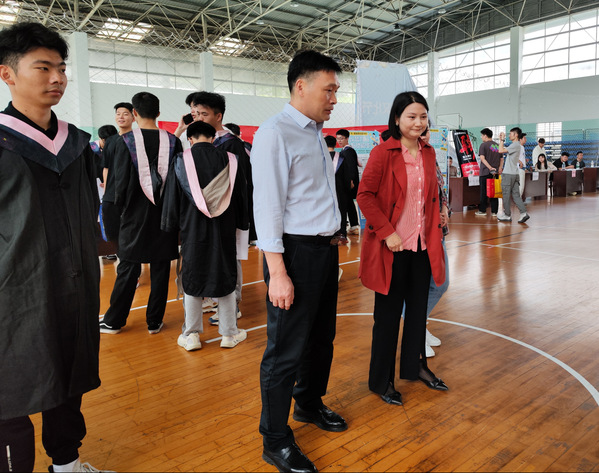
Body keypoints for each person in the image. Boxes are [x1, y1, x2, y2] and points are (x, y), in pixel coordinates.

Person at [0, 21, 106, 473]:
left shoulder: (77, 144)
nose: (57, 78)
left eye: (61, 68)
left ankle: (67, 462)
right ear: (7, 74)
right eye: (42, 68)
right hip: (15, 290)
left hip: (74, 283)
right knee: (13, 387)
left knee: (69, 377)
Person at [251, 50, 347, 473]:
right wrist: (278, 272)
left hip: (324, 251)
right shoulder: (276, 133)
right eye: (329, 90)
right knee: (285, 351)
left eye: (336, 91)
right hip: (294, 252)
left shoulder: (315, 133)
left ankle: (308, 402)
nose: (334, 99)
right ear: (301, 86)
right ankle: (275, 439)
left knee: (321, 340)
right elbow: (268, 207)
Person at [357, 91, 448, 410]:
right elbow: (364, 195)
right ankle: (381, 380)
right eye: (411, 116)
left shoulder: (428, 152)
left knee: (417, 313)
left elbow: (430, 195)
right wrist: (387, 232)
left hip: (422, 246)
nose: (418, 122)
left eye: (423, 116)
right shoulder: (383, 153)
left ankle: (415, 366)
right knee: (387, 318)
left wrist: (440, 216)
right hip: (392, 249)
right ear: (397, 119)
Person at [162, 120, 249, 350]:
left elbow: (172, 197)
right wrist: (243, 223)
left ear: (190, 139)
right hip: (224, 229)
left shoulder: (181, 160)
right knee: (226, 273)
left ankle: (191, 335)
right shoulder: (231, 160)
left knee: (192, 276)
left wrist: (170, 226)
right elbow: (241, 194)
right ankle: (229, 333)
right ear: (213, 138)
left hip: (192, 229)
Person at [99, 92, 182, 335]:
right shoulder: (173, 142)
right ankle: (154, 321)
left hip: (133, 216)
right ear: (158, 113)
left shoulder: (121, 142)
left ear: (134, 113)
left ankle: (114, 321)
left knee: (128, 267)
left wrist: (114, 220)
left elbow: (117, 187)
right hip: (165, 216)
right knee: (160, 268)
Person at [178, 91, 251, 326]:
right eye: (194, 114)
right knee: (204, 257)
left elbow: (241, 185)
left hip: (225, 213)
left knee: (229, 258)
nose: (198, 119)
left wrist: (242, 219)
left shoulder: (231, 144)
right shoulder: (197, 143)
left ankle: (232, 304)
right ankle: (210, 296)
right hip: (199, 215)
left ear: (218, 116)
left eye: (203, 114)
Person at [100, 102, 135, 246]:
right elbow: (106, 167)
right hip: (112, 195)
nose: (121, 117)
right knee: (114, 232)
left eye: (125, 114)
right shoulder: (111, 141)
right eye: (118, 114)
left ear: (134, 117)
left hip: (132, 193)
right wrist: (107, 192)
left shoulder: (136, 139)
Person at [497, 128, 530, 223]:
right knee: (516, 195)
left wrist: (502, 140)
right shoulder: (517, 145)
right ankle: (523, 213)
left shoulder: (515, 145)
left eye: (510, 134)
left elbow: (500, 150)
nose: (509, 135)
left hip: (508, 174)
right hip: (515, 173)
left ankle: (507, 215)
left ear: (516, 135)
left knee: (506, 195)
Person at [325, 135, 350, 240]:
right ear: (335, 144)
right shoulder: (341, 157)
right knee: (342, 210)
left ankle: (330, 234)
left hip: (326, 190)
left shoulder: (322, 157)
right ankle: (342, 233)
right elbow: (347, 175)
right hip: (341, 189)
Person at [336, 128, 361, 234]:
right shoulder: (344, 151)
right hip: (347, 181)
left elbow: (351, 167)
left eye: (341, 138)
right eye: (338, 139)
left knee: (347, 203)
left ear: (347, 139)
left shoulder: (348, 151)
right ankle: (354, 225)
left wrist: (350, 181)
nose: (339, 141)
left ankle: (353, 225)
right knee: (349, 203)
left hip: (349, 182)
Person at [475, 128, 504, 217]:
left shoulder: (483, 145)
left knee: (483, 192)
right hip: (495, 173)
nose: (481, 137)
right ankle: (494, 212)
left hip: (485, 172)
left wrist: (490, 168)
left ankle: (482, 210)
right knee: (494, 192)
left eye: (482, 135)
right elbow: (501, 159)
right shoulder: (497, 145)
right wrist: (500, 168)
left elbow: (482, 159)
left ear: (485, 136)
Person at [518, 133, 527, 198]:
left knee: (521, 186)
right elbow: (514, 156)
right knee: (521, 186)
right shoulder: (518, 147)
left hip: (522, 168)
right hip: (519, 168)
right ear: (520, 139)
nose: (525, 139)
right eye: (524, 138)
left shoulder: (522, 147)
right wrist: (520, 162)